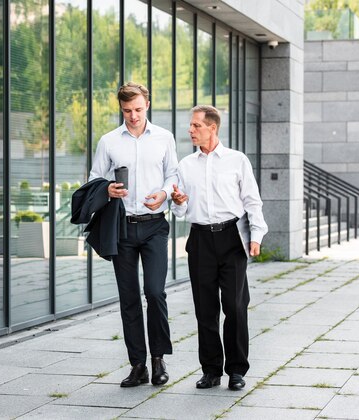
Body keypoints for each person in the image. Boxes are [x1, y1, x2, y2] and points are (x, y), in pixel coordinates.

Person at [170, 105, 268, 391]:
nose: (190, 130)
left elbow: (252, 201)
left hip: (231, 238)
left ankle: (237, 370)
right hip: (200, 240)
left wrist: (256, 236)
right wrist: (178, 202)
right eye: (190, 126)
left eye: (196, 126)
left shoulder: (237, 161)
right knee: (205, 309)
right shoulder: (185, 165)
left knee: (236, 307)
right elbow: (182, 209)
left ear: (212, 128)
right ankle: (211, 370)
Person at [89, 82, 178, 387]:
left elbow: (173, 173)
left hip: (154, 224)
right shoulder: (109, 141)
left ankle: (158, 359)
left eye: (138, 109)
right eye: (127, 111)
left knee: (154, 292)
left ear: (147, 106)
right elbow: (94, 178)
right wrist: (107, 188)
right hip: (123, 226)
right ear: (121, 109)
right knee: (129, 298)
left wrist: (165, 193)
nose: (133, 116)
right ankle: (138, 365)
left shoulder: (165, 138)